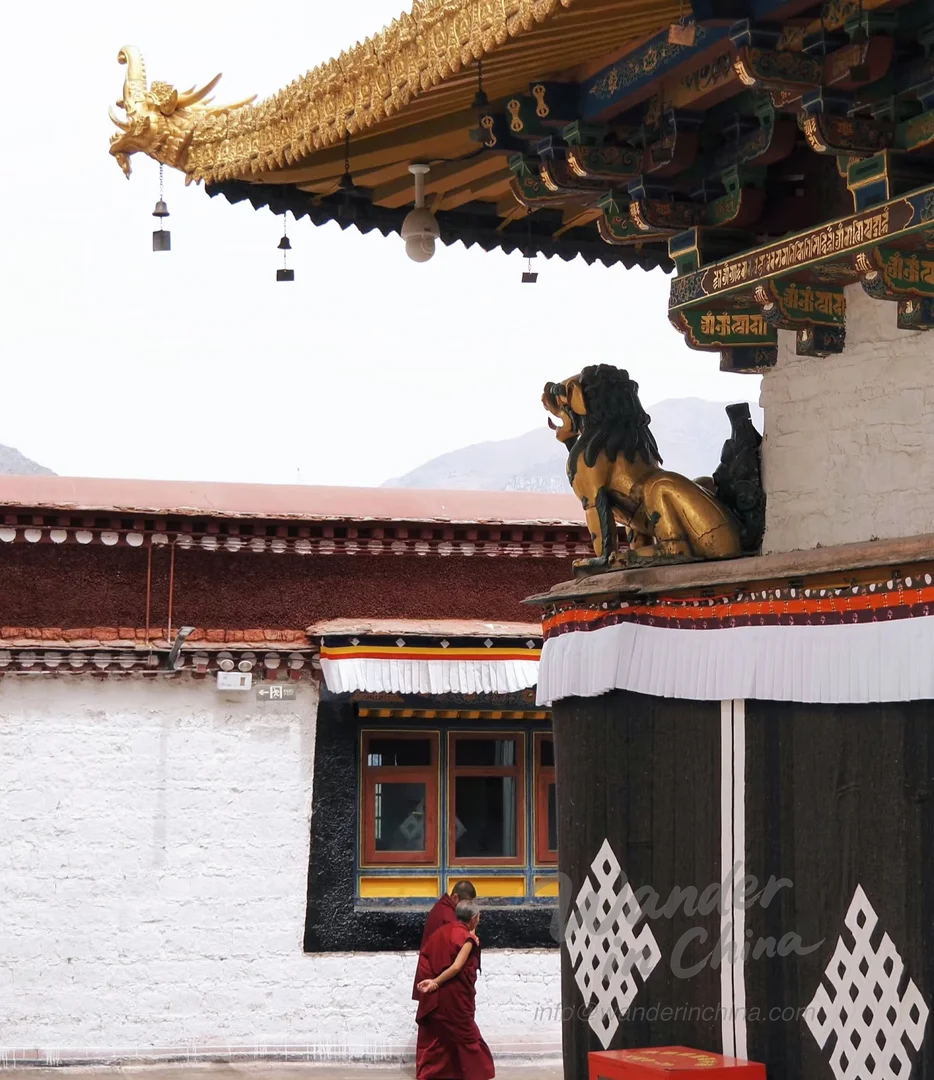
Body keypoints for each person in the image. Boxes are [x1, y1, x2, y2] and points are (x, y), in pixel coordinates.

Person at [414, 900, 494, 1080]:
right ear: (474, 918)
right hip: (455, 999)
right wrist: (435, 982)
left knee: (440, 1039)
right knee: (468, 1037)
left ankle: (435, 1074)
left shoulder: (441, 932)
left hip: (439, 1000)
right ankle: (478, 1074)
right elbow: (457, 966)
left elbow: (426, 957)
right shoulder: (467, 940)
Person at [413, 880, 476, 999]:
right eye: (466, 903)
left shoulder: (450, 912)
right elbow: (455, 952)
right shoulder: (445, 914)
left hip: (442, 976)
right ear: (455, 897)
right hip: (436, 974)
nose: (467, 908)